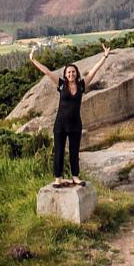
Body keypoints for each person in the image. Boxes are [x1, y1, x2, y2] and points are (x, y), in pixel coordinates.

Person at [29, 44, 111, 187]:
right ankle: (58, 178)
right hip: (60, 125)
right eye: (68, 72)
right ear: (65, 74)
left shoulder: (81, 85)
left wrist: (104, 56)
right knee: (59, 152)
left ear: (76, 73)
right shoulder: (61, 84)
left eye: (73, 72)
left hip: (75, 124)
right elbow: (47, 72)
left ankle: (75, 177)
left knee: (74, 152)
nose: (71, 74)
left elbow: (94, 71)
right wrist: (33, 60)